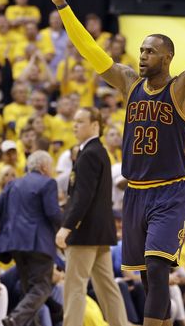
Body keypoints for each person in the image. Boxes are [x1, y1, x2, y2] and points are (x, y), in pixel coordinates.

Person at [47, 0, 185, 326]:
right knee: (146, 277)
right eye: (141, 50)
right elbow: (92, 52)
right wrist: (63, 8)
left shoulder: (184, 87)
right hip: (135, 193)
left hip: (170, 191)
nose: (142, 56)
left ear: (167, 56)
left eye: (150, 51)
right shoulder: (129, 82)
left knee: (158, 270)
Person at [54, 107, 127, 326]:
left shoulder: (89, 153)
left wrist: (66, 226)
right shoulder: (99, 151)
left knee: (74, 286)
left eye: (80, 121)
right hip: (100, 232)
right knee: (107, 286)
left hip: (85, 232)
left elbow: (82, 197)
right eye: (74, 121)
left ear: (95, 125)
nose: (74, 125)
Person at [0, 150, 62, 326]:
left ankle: (21, 321)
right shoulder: (48, 182)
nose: (52, 171)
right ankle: (15, 318)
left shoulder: (13, 184)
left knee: (30, 291)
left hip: (15, 244)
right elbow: (53, 213)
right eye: (50, 167)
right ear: (43, 166)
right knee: (42, 287)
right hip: (39, 244)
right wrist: (66, 231)